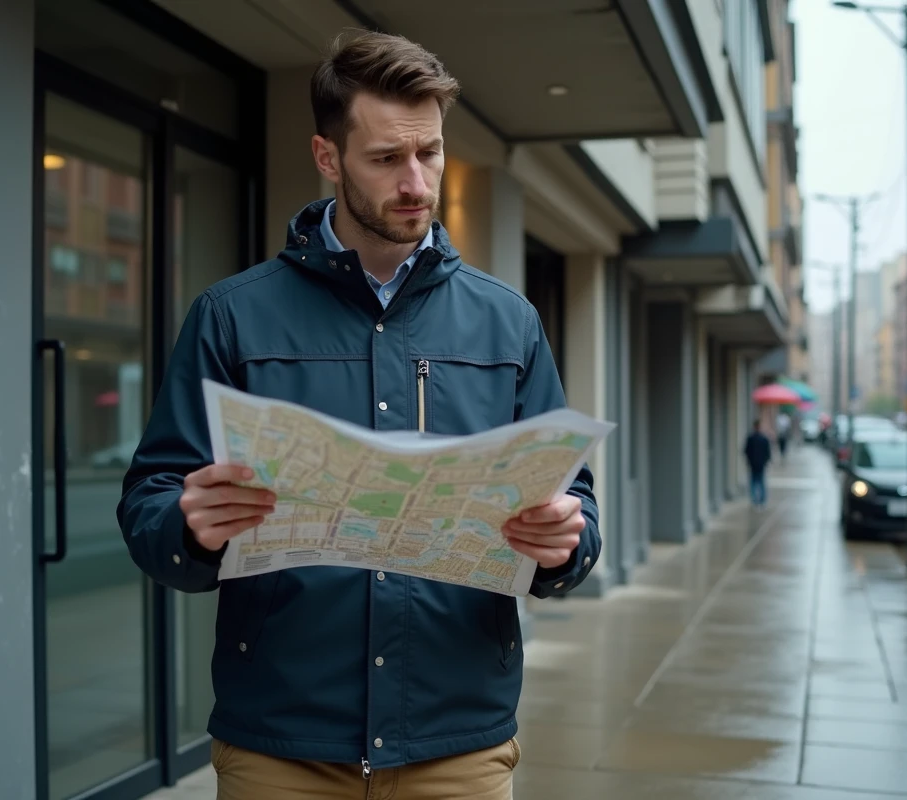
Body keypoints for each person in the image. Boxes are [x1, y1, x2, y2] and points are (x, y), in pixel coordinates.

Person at [116, 31, 601, 800]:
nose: (415, 181)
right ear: (328, 156)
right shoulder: (231, 317)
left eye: (430, 153)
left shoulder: (508, 323)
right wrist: (187, 524)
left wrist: (564, 540)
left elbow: (576, 506)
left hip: (458, 744)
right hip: (282, 747)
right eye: (385, 158)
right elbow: (150, 504)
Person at [744, 419, 772, 509]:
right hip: (759, 464)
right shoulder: (761, 439)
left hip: (755, 464)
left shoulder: (752, 438)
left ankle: (756, 500)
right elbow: (767, 452)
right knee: (759, 482)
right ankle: (760, 500)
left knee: (756, 482)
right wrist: (766, 461)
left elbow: (746, 451)